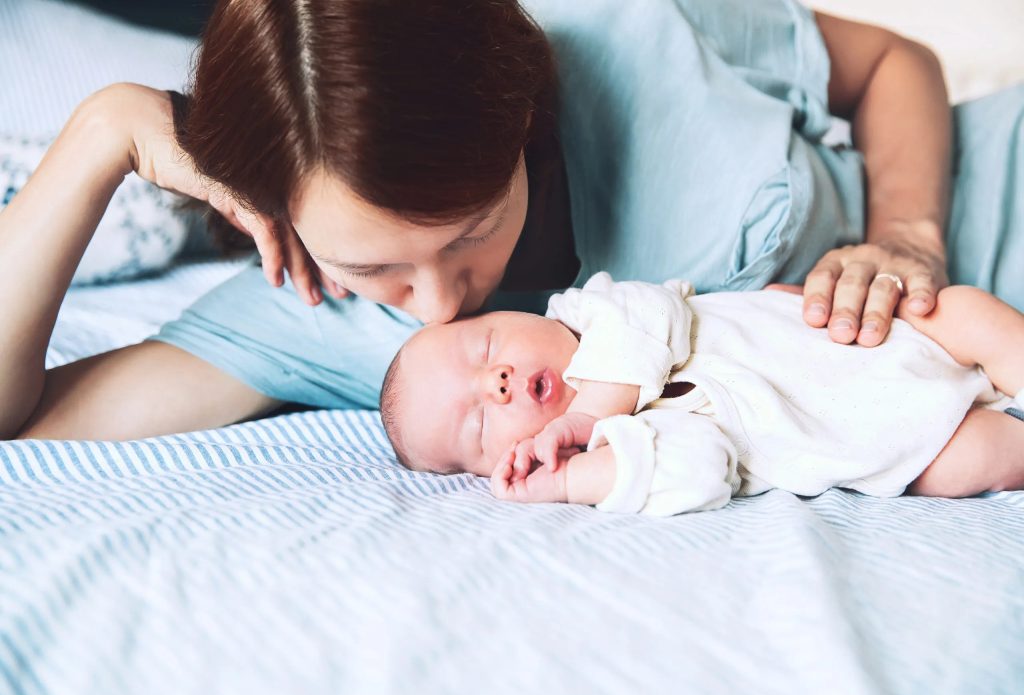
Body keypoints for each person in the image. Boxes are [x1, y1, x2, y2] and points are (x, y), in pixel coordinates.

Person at [1, 0, 1023, 441]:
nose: (438, 305)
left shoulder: (623, 28)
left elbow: (891, 65)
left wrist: (907, 234)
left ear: (523, 121)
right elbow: (20, 414)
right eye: (374, 268)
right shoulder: (308, 306)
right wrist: (101, 132)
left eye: (469, 230)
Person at [378, 273, 1024, 515]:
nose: (495, 383)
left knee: (964, 311)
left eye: (486, 347)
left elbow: (652, 314)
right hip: (885, 433)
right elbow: (700, 470)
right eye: (478, 425)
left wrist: (588, 411)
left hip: (878, 337)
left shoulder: (598, 310)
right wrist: (572, 479)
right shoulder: (619, 450)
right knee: (967, 462)